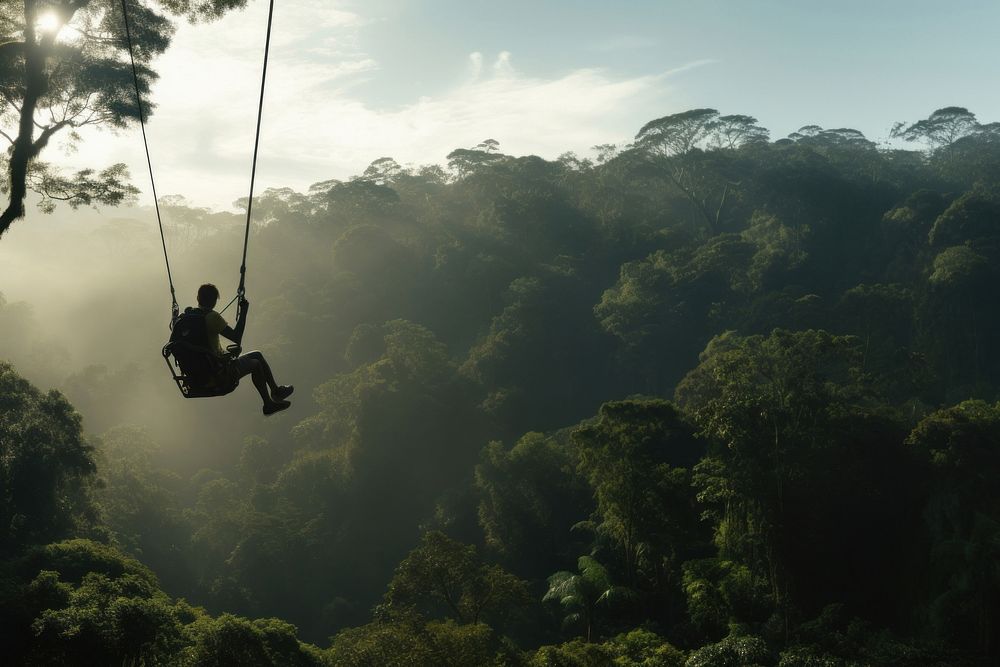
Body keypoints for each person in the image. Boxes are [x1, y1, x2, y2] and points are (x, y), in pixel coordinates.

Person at [195, 283, 293, 415]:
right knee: (256, 364)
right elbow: (236, 337)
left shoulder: (190, 318)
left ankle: (275, 391)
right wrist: (244, 312)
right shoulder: (212, 317)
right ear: (213, 301)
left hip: (201, 371)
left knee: (257, 354)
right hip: (219, 372)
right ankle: (268, 404)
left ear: (198, 298)